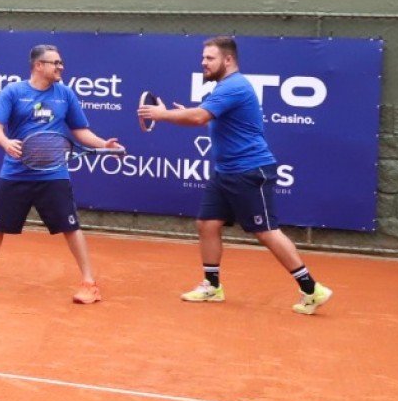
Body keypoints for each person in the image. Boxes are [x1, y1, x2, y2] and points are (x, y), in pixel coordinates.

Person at [139, 36, 334, 315]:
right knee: (207, 223)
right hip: (226, 172)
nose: (203, 63)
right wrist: (181, 114)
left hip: (250, 170)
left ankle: (311, 288)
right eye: (203, 57)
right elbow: (201, 116)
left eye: (210, 58)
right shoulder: (223, 88)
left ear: (227, 60)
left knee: (265, 231)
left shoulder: (235, 86)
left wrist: (163, 114)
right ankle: (212, 285)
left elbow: (199, 118)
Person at [0, 43, 124, 305]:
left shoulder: (65, 94)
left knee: (70, 227)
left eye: (61, 63)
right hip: (15, 173)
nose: (60, 67)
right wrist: (6, 143)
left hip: (53, 174)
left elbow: (80, 130)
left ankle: (89, 284)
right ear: (38, 65)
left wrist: (104, 144)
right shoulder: (13, 92)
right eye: (55, 63)